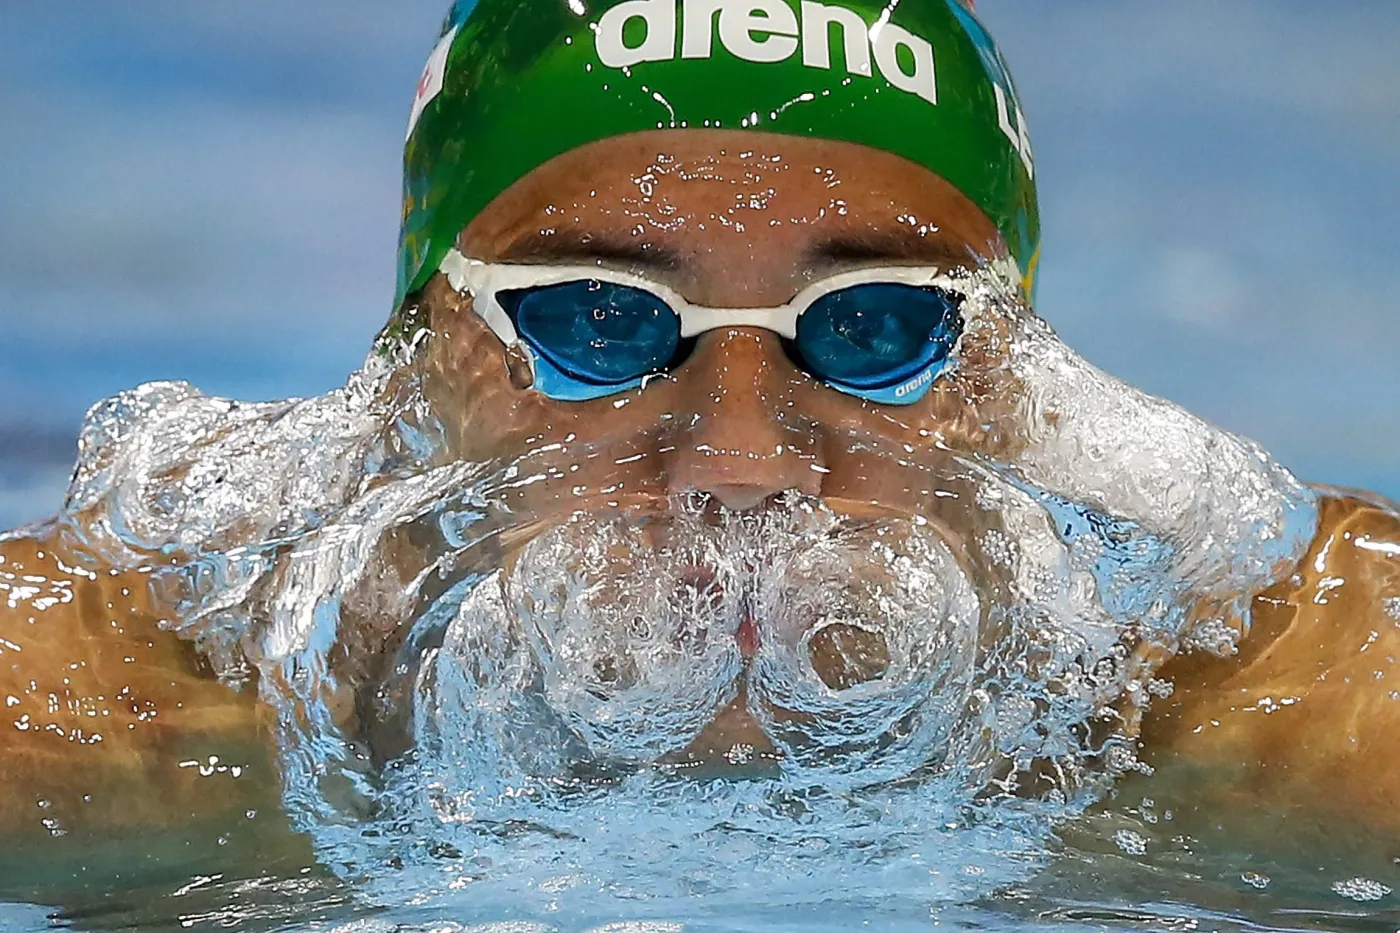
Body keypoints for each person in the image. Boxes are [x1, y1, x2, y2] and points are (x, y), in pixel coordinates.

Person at [2, 0, 1398, 846]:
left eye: (875, 324)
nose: (740, 461)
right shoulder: (137, 727)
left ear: (1008, 381)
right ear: (423, 362)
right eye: (597, 319)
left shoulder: (1270, 723)